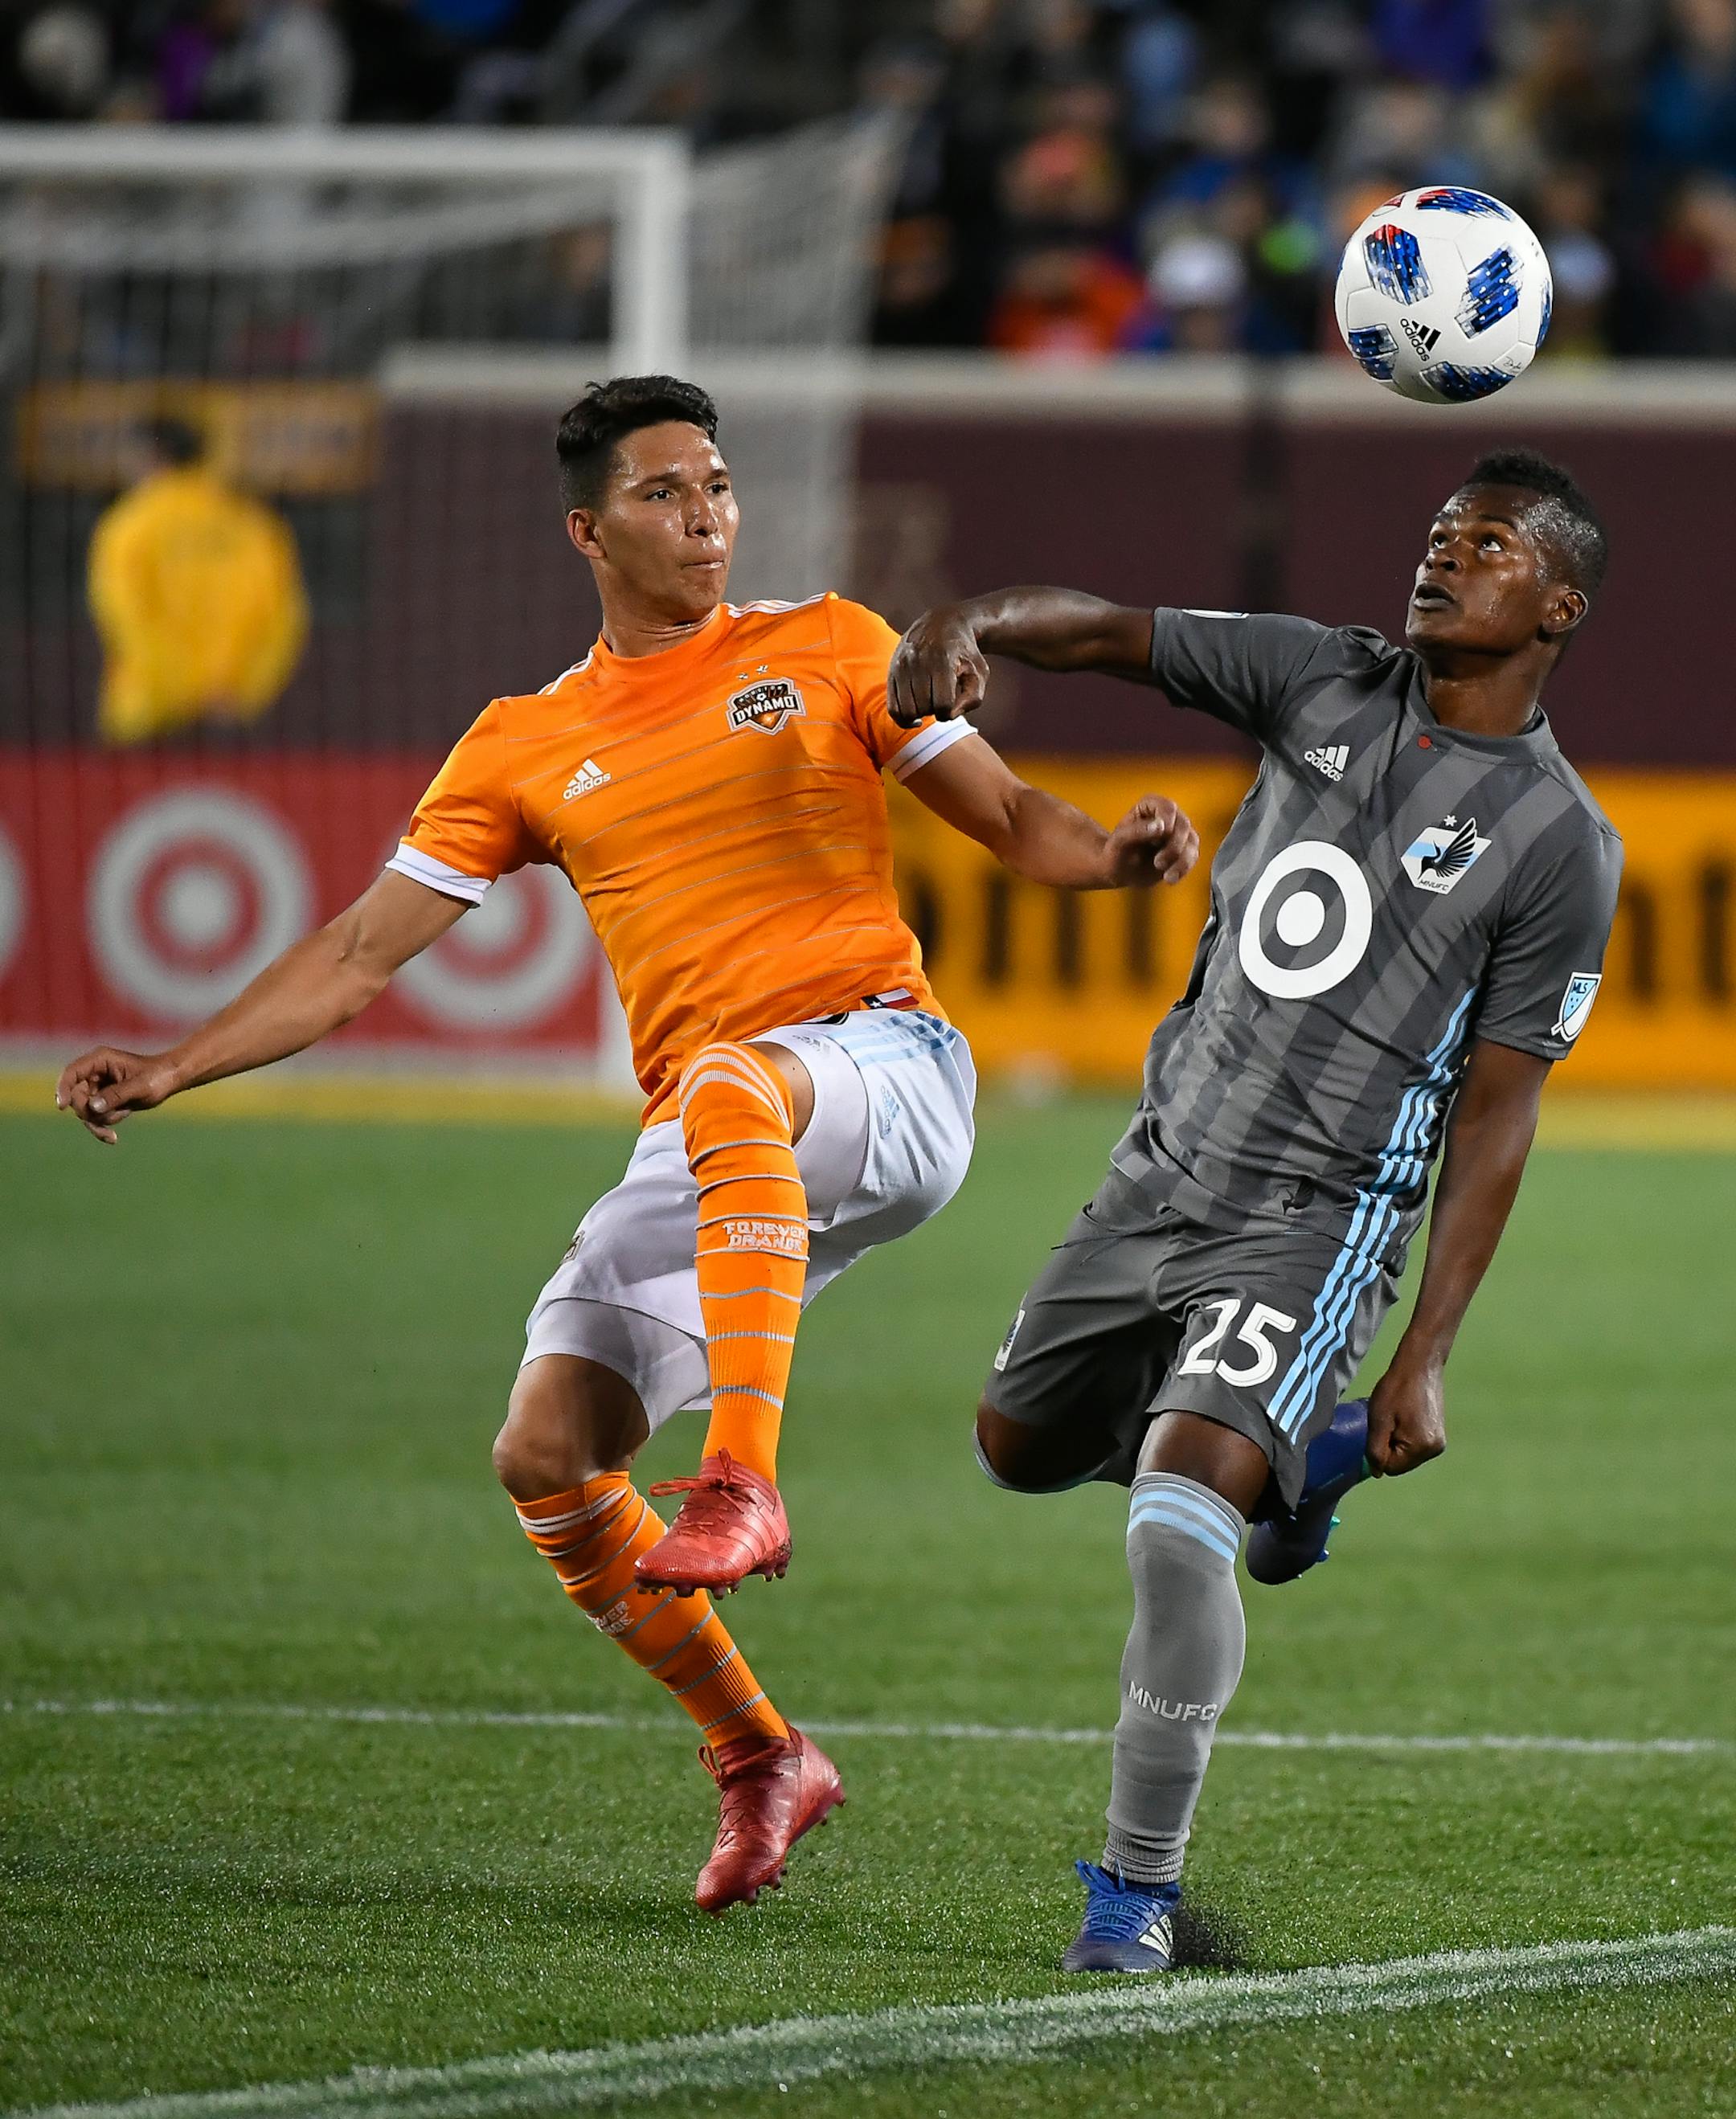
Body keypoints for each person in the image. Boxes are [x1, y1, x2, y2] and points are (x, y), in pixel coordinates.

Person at [56, 374, 1201, 1914]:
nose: (710, 515)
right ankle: (759, 1754)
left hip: (883, 1063)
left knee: (728, 1083)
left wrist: (1116, 856)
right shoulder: (525, 741)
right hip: (723, 1132)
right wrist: (181, 1062)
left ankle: (741, 1479)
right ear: (590, 529)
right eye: (669, 493)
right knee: (547, 1450)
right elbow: (359, 951)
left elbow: (1011, 820)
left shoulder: (830, 647)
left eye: (720, 486)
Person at [887, 448, 1622, 1973]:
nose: (1440, 559)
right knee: (1014, 1448)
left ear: (1557, 604)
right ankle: (1299, 1468)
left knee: (1172, 1520)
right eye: (1435, 535)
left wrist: (1423, 1345)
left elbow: (1502, 1106)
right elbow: (1103, 628)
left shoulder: (1562, 842)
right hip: (1159, 1169)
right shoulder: (1319, 676)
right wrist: (975, 618)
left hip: (1317, 1215)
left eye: (1483, 546)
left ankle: (1134, 1897)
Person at [87, 417, 309, 747]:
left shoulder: (129, 527)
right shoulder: (254, 527)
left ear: (149, 457)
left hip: (148, 715)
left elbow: (124, 617)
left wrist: (179, 689)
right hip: (231, 721)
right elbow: (284, 622)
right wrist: (242, 693)